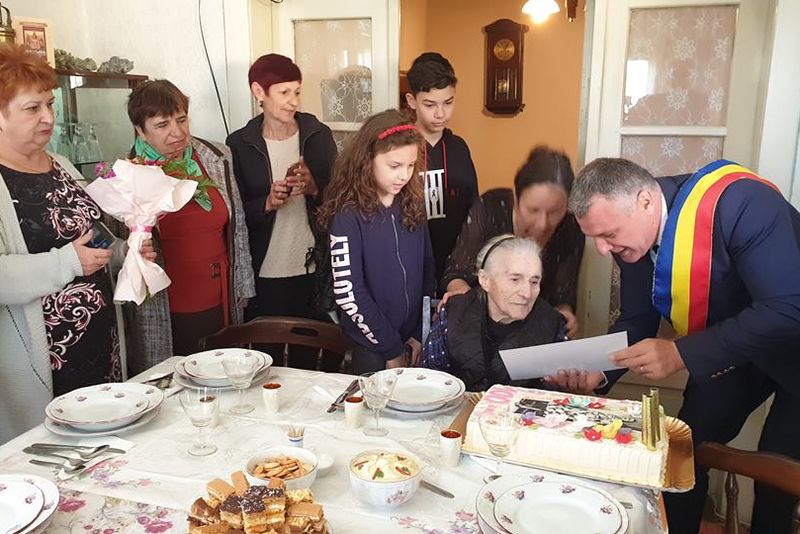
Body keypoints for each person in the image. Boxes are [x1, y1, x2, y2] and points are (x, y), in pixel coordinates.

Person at [569, 157, 800, 534]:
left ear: (644, 201)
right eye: (594, 237)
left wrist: (680, 353)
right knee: (681, 455)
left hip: (794, 343)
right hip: (734, 350)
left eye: (608, 234)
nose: (601, 249)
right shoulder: (633, 239)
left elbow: (786, 309)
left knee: (777, 480)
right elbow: (637, 320)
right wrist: (600, 370)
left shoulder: (742, 203)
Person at [0, 44, 154, 442]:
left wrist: (124, 252)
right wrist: (66, 263)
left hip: (98, 343)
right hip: (41, 362)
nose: (48, 118)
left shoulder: (62, 165)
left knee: (103, 451)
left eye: (50, 104)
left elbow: (90, 236)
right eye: (32, 108)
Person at [122, 79, 255, 371]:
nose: (178, 132)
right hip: (166, 303)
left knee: (223, 373)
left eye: (181, 120)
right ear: (140, 130)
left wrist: (244, 285)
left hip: (220, 294)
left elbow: (238, 225)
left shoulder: (217, 157)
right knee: (173, 378)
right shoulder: (126, 175)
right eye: (162, 125)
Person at [227, 54, 338, 367]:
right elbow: (233, 212)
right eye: (284, 92)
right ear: (258, 92)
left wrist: (314, 188)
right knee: (268, 359)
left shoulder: (317, 135)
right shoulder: (239, 144)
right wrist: (267, 202)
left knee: (312, 357)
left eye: (297, 91)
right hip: (266, 267)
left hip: (312, 264)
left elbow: (340, 200)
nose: (293, 101)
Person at [317, 110, 435, 374]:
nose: (404, 175)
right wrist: (392, 349)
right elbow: (349, 293)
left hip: (413, 337)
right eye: (394, 166)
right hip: (372, 344)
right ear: (367, 159)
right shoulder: (347, 215)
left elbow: (428, 269)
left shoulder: (413, 203)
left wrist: (420, 331)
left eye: (411, 165)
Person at [443, 145, 585, 338]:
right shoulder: (491, 208)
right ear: (516, 198)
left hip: (536, 334)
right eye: (533, 210)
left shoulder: (571, 226)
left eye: (554, 211)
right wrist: (463, 298)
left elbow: (562, 297)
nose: (542, 224)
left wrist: (565, 314)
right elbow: (456, 273)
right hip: (479, 327)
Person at [422, 235, 571, 392]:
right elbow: (428, 381)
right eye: (515, 280)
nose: (527, 294)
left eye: (534, 282)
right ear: (484, 280)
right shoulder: (453, 313)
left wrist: (566, 384)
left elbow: (558, 393)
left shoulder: (552, 323)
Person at [404, 52, 478, 287]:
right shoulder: (398, 149)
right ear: (412, 101)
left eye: (448, 103)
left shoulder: (458, 148)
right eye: (430, 105)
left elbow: (474, 210)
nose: (440, 114)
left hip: (455, 267)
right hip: (409, 264)